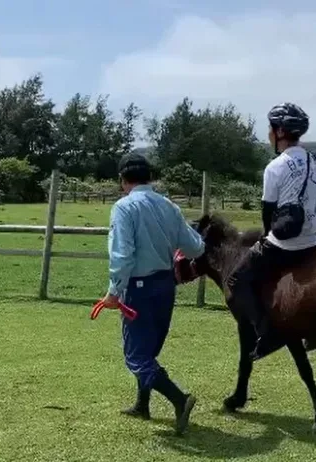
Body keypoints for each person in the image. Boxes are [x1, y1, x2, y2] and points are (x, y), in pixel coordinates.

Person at [100, 153, 205, 436]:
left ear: (123, 180)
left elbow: (122, 254)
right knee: (148, 351)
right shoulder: (169, 206)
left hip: (139, 288)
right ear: (149, 177)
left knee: (136, 356)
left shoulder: (124, 208)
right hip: (165, 286)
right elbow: (195, 248)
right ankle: (142, 405)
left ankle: (180, 399)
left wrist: (113, 292)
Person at [225, 102, 316, 361]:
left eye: (270, 128)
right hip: (315, 241)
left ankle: (266, 331)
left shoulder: (275, 167)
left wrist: (265, 237)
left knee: (236, 280)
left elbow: (268, 215)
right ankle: (310, 329)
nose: (268, 133)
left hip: (287, 245)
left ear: (279, 132)